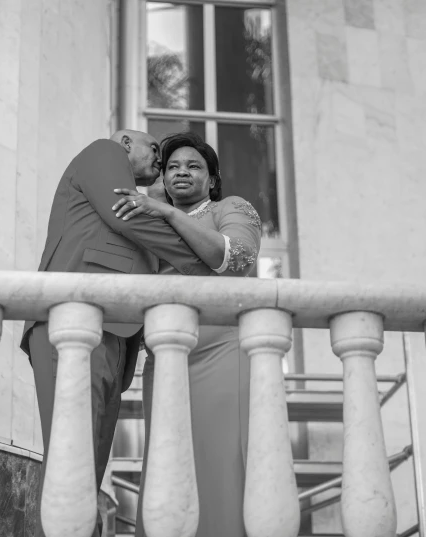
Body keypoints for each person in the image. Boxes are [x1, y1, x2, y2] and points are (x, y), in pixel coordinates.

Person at [20, 130, 215, 537]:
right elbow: (122, 214)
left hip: (115, 334)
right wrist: (203, 265)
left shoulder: (148, 200)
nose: (162, 163)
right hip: (74, 325)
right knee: (69, 460)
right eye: (156, 151)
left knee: (88, 467)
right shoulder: (104, 152)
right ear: (127, 142)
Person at [112, 132, 262, 537]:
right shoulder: (145, 217)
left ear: (212, 180)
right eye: (172, 165)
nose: (181, 171)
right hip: (164, 357)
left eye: (194, 166)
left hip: (223, 354)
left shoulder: (231, 207)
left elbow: (237, 260)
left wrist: (170, 214)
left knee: (221, 458)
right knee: (166, 461)